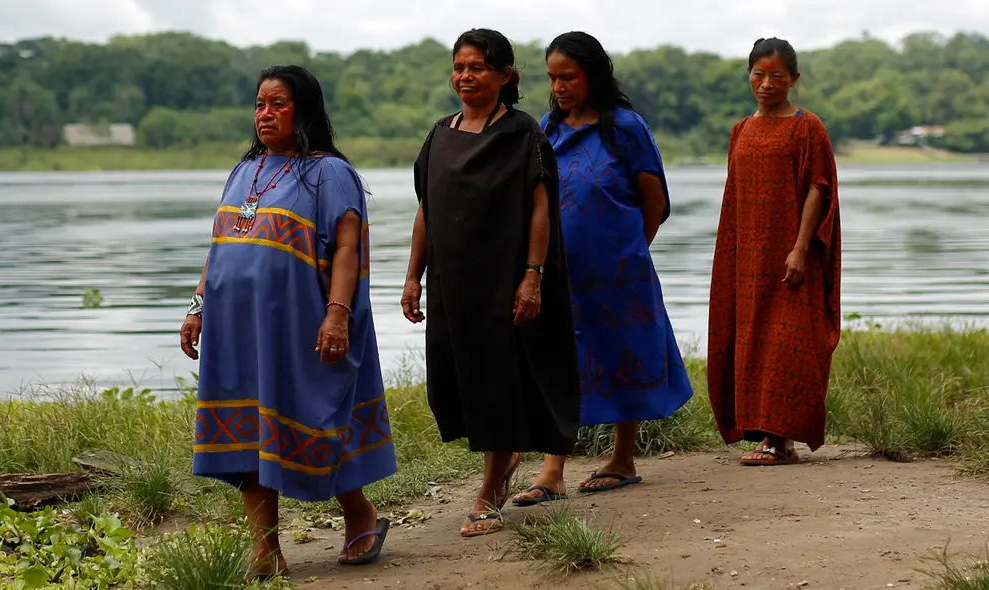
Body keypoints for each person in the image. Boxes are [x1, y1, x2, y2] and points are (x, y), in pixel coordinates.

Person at [179, 65, 396, 576]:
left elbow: (347, 247)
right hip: (237, 331)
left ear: (304, 110)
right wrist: (197, 306)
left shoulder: (329, 173)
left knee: (318, 418)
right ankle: (266, 548)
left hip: (300, 325)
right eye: (259, 104)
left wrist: (337, 315)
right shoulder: (243, 171)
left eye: (278, 104)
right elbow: (221, 245)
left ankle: (359, 513)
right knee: (250, 432)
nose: (265, 114)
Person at [402, 28, 581, 537]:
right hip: (453, 287)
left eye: (477, 67)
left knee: (499, 380)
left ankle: (489, 491)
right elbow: (426, 211)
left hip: (504, 283)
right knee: (462, 383)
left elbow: (541, 212)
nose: (465, 76)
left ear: (507, 76)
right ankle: (502, 462)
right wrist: (413, 276)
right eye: (459, 67)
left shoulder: (525, 135)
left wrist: (532, 278)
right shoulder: (439, 134)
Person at [510, 32, 694, 506]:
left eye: (568, 76)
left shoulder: (625, 127)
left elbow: (653, 200)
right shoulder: (547, 130)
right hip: (559, 270)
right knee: (562, 359)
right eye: (552, 78)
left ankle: (622, 459)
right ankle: (552, 470)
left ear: (593, 75)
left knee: (622, 351)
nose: (559, 87)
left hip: (620, 269)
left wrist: (631, 248)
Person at [707, 38, 842, 466]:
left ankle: (781, 441)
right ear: (749, 75)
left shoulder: (807, 127)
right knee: (753, 340)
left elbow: (817, 192)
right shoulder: (741, 130)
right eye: (759, 75)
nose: (766, 84)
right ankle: (764, 434)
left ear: (794, 80)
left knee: (789, 343)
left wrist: (800, 250)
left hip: (790, 254)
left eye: (777, 76)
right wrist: (731, 255)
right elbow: (735, 196)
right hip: (748, 256)